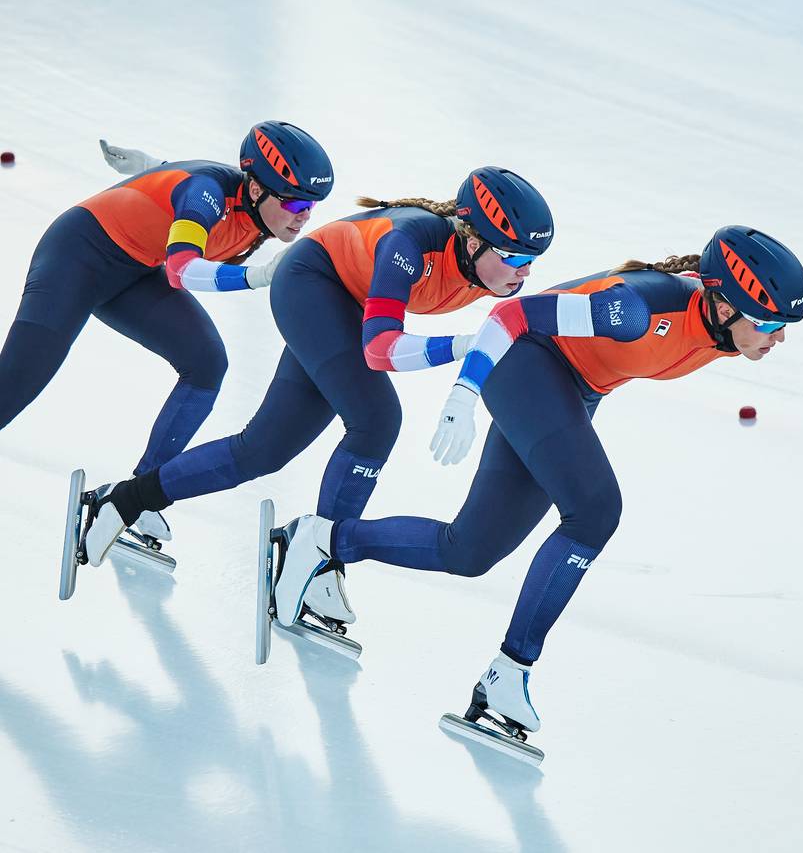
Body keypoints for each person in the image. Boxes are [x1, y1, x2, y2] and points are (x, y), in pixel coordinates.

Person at [267, 225, 803, 737]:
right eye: (766, 323)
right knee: (595, 510)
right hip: (525, 364)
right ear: (722, 302)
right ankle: (511, 670)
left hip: (570, 390)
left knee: (471, 550)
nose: (778, 337)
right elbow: (510, 316)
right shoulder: (634, 308)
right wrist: (465, 394)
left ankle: (321, 540)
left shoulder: (718, 319)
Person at [82, 166, 555, 624]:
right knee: (376, 419)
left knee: (264, 449)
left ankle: (124, 500)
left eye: (531, 260)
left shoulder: (482, 266)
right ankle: (320, 558)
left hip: (345, 303)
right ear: (472, 242)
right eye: (514, 257)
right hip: (312, 284)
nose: (525, 272)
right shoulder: (407, 247)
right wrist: (464, 348)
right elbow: (380, 347)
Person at [0, 121, 333, 539]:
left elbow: (186, 191)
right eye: (296, 204)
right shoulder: (207, 196)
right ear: (255, 189)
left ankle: (131, 499)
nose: (304, 217)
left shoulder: (257, 210)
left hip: (134, 270)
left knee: (206, 362)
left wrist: (153, 173)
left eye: (312, 207)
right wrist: (258, 276)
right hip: (77, 257)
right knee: (15, 383)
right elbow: (180, 267)